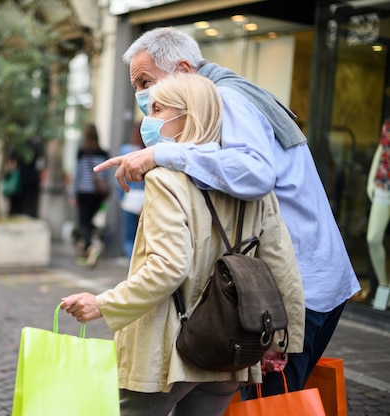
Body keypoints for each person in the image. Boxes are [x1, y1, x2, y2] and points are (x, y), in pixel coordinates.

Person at [94, 27, 360, 399]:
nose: (142, 97)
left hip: (287, 291)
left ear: (184, 70)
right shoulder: (231, 92)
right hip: (304, 282)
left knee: (264, 405)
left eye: (146, 83)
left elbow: (255, 172)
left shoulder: (226, 97)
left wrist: (160, 154)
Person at [61, 72, 305, 416]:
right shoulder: (256, 188)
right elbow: (283, 270)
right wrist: (282, 342)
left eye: (158, 109)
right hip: (230, 348)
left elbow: (169, 267)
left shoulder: (165, 180)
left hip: (167, 350)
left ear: (187, 116)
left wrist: (103, 303)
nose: (149, 118)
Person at [69, 123, 110, 267]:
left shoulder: (82, 152)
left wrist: (72, 194)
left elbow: (77, 175)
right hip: (97, 194)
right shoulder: (104, 153)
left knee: (83, 223)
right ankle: (93, 244)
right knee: (89, 221)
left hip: (83, 192)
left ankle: (89, 248)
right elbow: (105, 175)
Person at [366, 116, 390, 311]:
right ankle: (384, 286)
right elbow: (383, 147)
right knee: (373, 238)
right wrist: (371, 178)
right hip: (384, 184)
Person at [117, 122, 146, 258]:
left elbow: (120, 179)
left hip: (131, 196)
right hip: (148, 197)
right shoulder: (151, 151)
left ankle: (132, 267)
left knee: (129, 238)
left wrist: (121, 197)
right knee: (144, 238)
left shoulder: (127, 151)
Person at [4, 138, 43, 218]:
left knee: (17, 211)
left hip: (21, 181)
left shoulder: (19, 144)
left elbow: (12, 162)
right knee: (27, 210)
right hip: (29, 181)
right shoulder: (36, 144)